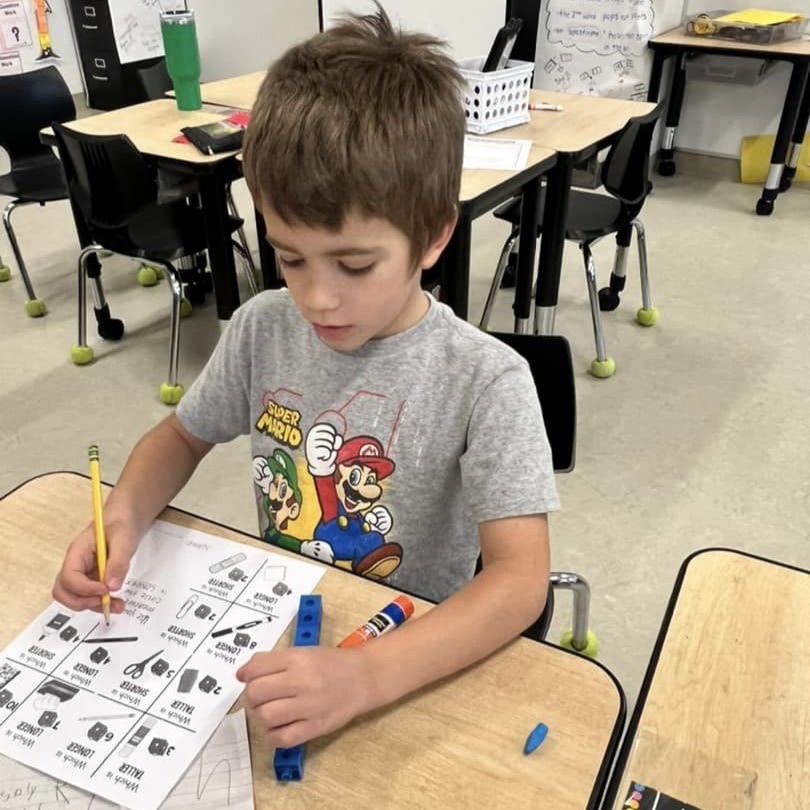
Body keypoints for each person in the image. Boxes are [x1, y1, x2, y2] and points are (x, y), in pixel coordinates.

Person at [52, 6, 559, 749]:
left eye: (354, 265)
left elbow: (520, 584)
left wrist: (367, 678)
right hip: (282, 623)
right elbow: (181, 437)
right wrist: (125, 513)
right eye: (289, 257)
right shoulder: (262, 327)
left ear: (435, 235)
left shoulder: (487, 380)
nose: (317, 298)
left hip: (411, 660)